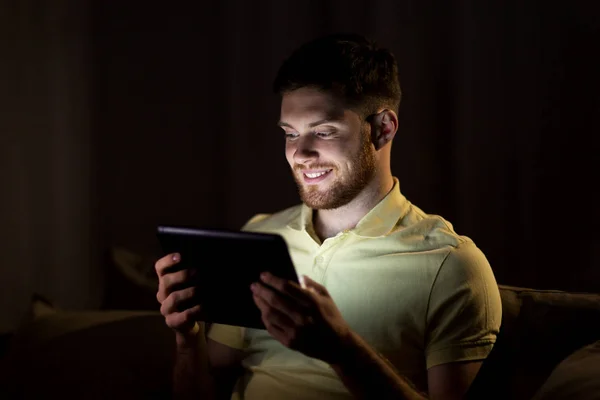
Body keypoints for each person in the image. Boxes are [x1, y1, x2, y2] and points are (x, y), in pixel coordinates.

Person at [155, 33, 502, 400]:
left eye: (323, 131)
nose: (300, 154)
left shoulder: (451, 265)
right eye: (290, 134)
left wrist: (340, 349)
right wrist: (187, 339)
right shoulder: (260, 237)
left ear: (382, 128)